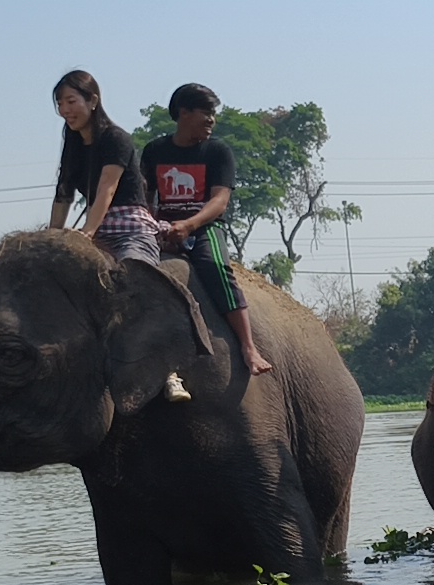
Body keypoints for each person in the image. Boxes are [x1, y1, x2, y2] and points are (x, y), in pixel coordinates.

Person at [140, 83, 273, 376]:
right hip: (162, 228)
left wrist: (189, 225)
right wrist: (155, 227)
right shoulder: (154, 151)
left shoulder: (217, 152)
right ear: (183, 113)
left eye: (213, 113)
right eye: (206, 112)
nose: (211, 120)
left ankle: (248, 346)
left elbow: (219, 201)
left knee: (215, 266)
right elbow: (145, 198)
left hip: (203, 228)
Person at [48, 70, 160, 264]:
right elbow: (63, 192)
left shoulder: (115, 138)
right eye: (60, 104)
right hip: (98, 232)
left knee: (132, 269)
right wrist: (51, 237)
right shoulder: (73, 142)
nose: (65, 109)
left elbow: (107, 188)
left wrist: (87, 233)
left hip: (130, 231)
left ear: (93, 101)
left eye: (71, 102)